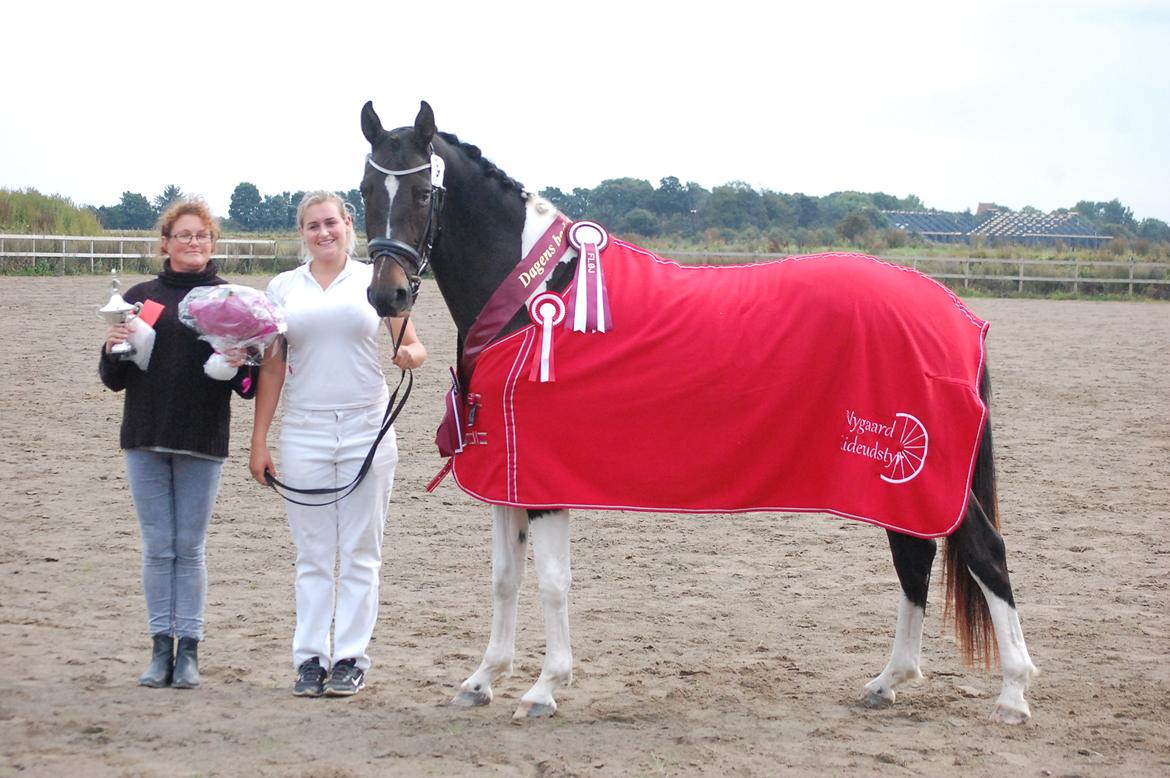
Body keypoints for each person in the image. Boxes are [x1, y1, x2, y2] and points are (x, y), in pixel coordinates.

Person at [249, 190, 426, 698]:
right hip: (303, 429)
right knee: (312, 555)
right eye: (312, 226)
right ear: (302, 233)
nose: (323, 233)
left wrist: (411, 354)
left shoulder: (377, 279)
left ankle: (350, 657)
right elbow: (273, 364)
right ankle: (309, 658)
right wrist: (259, 441)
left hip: (366, 429)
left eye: (331, 222)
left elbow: (411, 341)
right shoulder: (283, 288)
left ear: (348, 224)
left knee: (361, 553)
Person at [99, 198, 256, 690]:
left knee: (188, 549)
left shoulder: (229, 299)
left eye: (202, 236)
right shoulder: (143, 297)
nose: (194, 243)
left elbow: (247, 388)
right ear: (165, 243)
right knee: (156, 548)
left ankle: (188, 650)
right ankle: (158, 649)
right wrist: (111, 349)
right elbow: (113, 379)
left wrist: (240, 361)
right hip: (145, 436)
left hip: (202, 439)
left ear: (212, 243)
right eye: (184, 235)